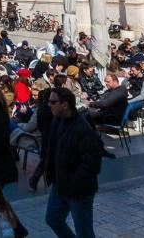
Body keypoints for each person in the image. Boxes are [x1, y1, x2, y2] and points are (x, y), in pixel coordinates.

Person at [43, 87, 102, 238]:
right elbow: (52, 149)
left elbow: (92, 163)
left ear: (65, 104)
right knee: (53, 219)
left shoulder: (82, 128)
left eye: (53, 102)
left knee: (84, 231)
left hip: (78, 190)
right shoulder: (57, 121)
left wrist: (75, 182)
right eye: (49, 101)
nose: (49, 105)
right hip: (60, 183)